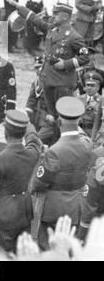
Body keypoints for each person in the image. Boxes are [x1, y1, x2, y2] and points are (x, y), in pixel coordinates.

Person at [30, 96, 92, 250]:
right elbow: (82, 136)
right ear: (78, 121)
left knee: (46, 250)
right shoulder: (87, 144)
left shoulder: (55, 151)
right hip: (75, 207)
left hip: (53, 209)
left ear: (59, 122)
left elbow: (38, 183)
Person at [13, 1, 89, 117]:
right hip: (48, 81)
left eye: (56, 14)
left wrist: (66, 64)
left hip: (62, 84)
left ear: (65, 17)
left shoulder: (74, 37)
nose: (53, 16)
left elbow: (85, 57)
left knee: (63, 117)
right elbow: (36, 20)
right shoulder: (51, 30)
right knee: (52, 117)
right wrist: (20, 7)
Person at [0, 109, 42, 253]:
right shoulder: (32, 154)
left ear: (5, 132)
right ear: (22, 133)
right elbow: (34, 142)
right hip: (23, 213)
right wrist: (30, 127)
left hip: (3, 217)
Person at [78, 71, 103, 140]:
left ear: (98, 87)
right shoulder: (79, 99)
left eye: (92, 85)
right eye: (87, 85)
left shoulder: (101, 100)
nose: (89, 88)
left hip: (95, 133)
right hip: (80, 132)